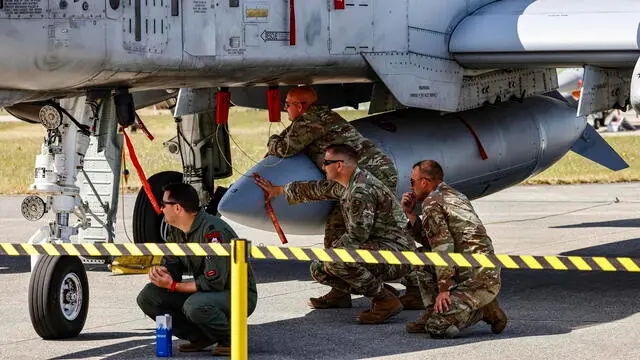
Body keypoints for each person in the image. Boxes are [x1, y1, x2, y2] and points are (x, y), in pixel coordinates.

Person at [265, 86, 418, 309]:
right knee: (336, 227)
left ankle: (408, 286)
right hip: (354, 176)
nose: (285, 109)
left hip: (370, 174)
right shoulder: (313, 118)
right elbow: (324, 187)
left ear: (301, 106)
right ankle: (341, 288)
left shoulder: (311, 120)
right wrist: (283, 190)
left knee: (368, 232)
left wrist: (272, 140)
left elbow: (283, 148)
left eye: (287, 104)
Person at [256, 144, 413, 324]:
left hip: (397, 254)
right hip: (380, 248)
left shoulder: (360, 190)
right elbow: (320, 188)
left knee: (336, 261)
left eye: (326, 163)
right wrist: (280, 190)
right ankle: (381, 291)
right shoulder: (349, 182)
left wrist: (332, 255)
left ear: (339, 165)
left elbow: (357, 236)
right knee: (319, 269)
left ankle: (385, 300)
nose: (323, 167)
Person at [136, 183, 258, 356]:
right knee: (149, 296)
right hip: (209, 290)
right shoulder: (176, 231)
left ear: (177, 208)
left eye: (163, 204)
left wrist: (172, 286)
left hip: (236, 293)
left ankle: (232, 340)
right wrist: (161, 272)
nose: (161, 208)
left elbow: (214, 282)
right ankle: (201, 336)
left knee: (195, 305)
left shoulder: (213, 232)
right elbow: (172, 264)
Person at [400, 160, 507, 338]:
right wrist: (410, 215)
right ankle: (433, 310)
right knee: (423, 256)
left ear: (424, 182)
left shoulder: (432, 202)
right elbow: (434, 241)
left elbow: (442, 248)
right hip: (472, 269)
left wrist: (444, 289)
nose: (411, 187)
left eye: (412, 182)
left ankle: (484, 310)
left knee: (437, 327)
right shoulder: (454, 195)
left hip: (478, 278)